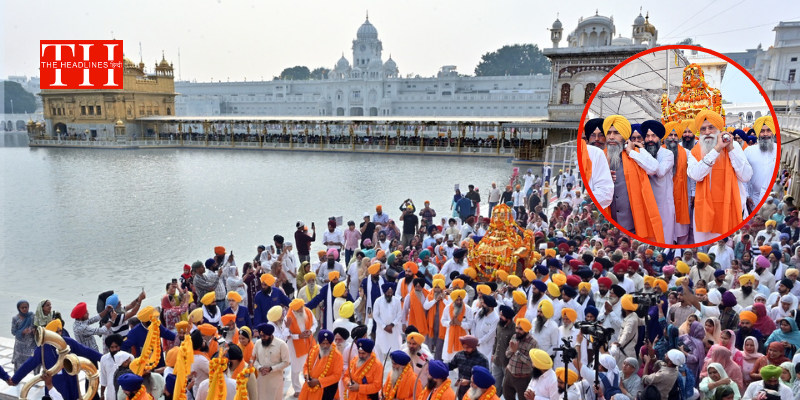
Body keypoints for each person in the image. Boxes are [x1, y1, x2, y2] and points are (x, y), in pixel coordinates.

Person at [687, 110, 753, 244]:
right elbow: (695, 175)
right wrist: (716, 149)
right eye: (703, 129)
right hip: (705, 212)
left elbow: (746, 176)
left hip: (729, 209)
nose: (707, 132)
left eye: (711, 127)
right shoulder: (695, 150)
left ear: (719, 129)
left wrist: (729, 149)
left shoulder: (733, 146)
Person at [602, 115, 663, 242]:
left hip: (634, 224)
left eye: (616, 133)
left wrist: (631, 152)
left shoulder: (636, 152)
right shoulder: (600, 157)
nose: (611, 137)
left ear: (624, 136)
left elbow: (654, 168)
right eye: (609, 133)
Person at [641, 120, 676, 244]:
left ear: (660, 138)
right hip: (645, 203)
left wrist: (642, 153)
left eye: (653, 136)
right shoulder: (640, 153)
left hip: (663, 206)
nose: (650, 139)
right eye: (647, 136)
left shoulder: (668, 154)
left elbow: (659, 171)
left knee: (665, 240)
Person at [664, 120, 693, 244]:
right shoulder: (659, 152)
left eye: (676, 135)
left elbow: (691, 176)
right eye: (670, 135)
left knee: (682, 231)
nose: (673, 138)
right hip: (664, 196)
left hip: (683, 195)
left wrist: (693, 193)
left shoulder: (686, 153)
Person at [744, 116, 777, 210]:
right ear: (758, 133)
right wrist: (746, 196)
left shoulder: (779, 149)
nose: (765, 134)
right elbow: (742, 176)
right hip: (754, 199)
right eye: (762, 131)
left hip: (775, 198)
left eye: (768, 130)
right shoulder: (749, 151)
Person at [578, 122, 614, 210]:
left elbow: (605, 192)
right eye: (593, 135)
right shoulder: (589, 153)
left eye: (601, 135)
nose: (596, 139)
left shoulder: (596, 153)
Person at [287, 298, 317, 397]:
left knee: (310, 365)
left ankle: (308, 384)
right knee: (295, 368)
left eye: (301, 309)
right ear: (294, 310)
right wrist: (298, 336)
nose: (300, 311)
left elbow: (315, 324)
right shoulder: (288, 317)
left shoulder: (307, 312)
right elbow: (287, 334)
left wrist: (310, 331)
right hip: (294, 345)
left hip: (309, 342)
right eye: (298, 310)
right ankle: (297, 389)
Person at [253, 323, 290, 400]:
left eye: (265, 336)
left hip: (275, 380)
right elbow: (254, 360)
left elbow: (286, 362)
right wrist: (259, 368)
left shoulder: (281, 344)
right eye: (261, 336)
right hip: (261, 380)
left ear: (270, 335)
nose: (263, 338)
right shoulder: (258, 343)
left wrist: (272, 368)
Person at [447, 335, 491, 400]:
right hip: (461, 390)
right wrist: (439, 367)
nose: (465, 349)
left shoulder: (482, 359)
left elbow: (484, 379)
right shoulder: (459, 355)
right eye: (463, 347)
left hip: (475, 392)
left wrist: (469, 382)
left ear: (473, 347)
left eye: (467, 348)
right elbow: (451, 365)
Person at [503, 318, 537, 400]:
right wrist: (512, 350)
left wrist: (517, 352)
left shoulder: (533, 343)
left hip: (523, 378)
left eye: (520, 329)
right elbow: (507, 354)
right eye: (517, 328)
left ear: (526, 330)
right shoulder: (515, 337)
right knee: (507, 396)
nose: (517, 331)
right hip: (509, 375)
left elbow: (531, 362)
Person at [373, 282, 403, 361]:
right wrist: (384, 327)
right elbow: (375, 316)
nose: (390, 294)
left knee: (394, 349)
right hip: (381, 330)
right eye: (388, 292)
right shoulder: (378, 301)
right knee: (381, 351)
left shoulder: (397, 301)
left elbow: (399, 314)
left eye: (391, 292)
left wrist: (392, 324)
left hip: (393, 329)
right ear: (385, 292)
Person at [11, 299, 36, 371]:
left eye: (26, 307)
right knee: (18, 363)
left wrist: (34, 330)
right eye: (22, 308)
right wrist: (22, 332)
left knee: (34, 360)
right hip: (20, 345)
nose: (25, 309)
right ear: (19, 308)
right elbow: (13, 332)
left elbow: (36, 326)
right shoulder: (15, 319)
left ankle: (35, 377)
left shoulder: (32, 316)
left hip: (31, 343)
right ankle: (15, 379)